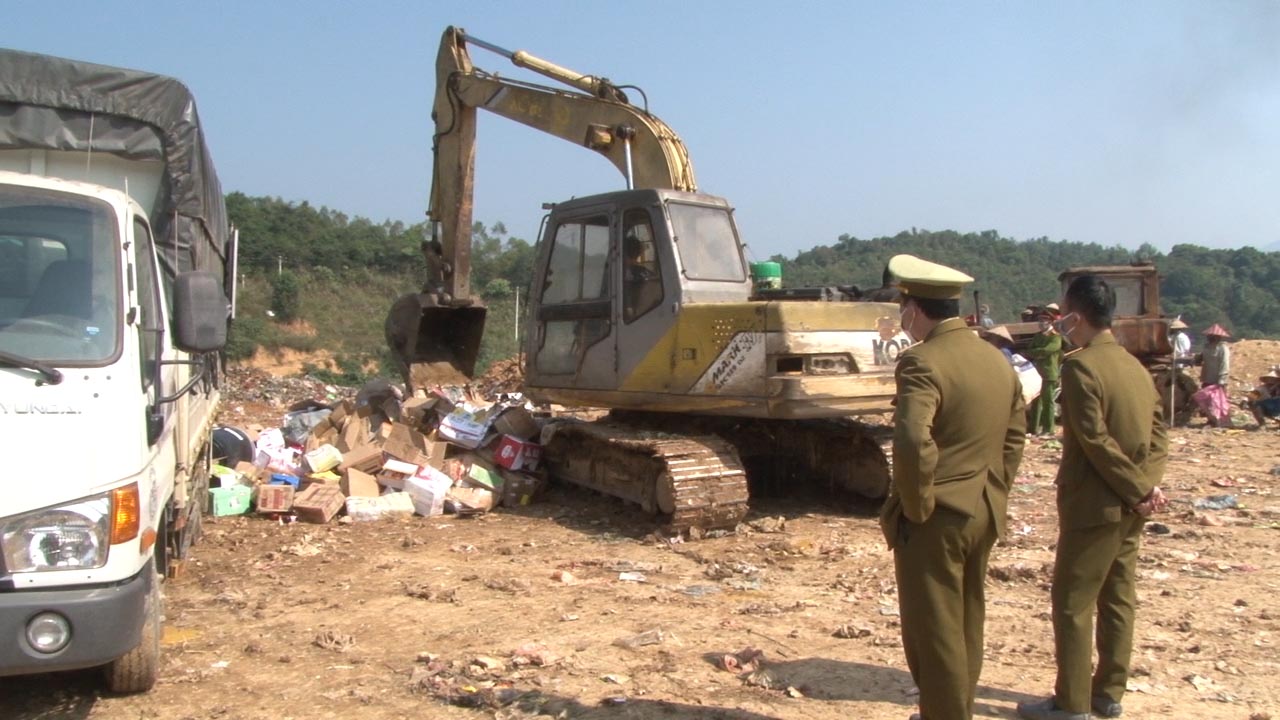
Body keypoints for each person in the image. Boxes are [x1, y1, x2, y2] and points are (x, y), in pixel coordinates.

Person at [879, 254, 1026, 720]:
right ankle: (955, 706)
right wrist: (995, 488)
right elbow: (1015, 436)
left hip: (938, 514)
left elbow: (910, 438)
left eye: (903, 306)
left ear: (914, 309)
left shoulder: (921, 361)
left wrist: (918, 503)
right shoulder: (996, 359)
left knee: (934, 629)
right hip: (983, 506)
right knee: (966, 619)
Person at [1017, 275, 1169, 720]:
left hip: (1095, 505)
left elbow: (1094, 440)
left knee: (1073, 604)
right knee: (1118, 598)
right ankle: (1108, 692)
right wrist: (1146, 486)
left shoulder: (1081, 367)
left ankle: (1071, 703)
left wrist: (1137, 488)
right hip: (1132, 505)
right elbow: (1159, 434)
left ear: (1074, 316)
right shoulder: (1134, 367)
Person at [1024, 310, 1064, 438]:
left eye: (1044, 321)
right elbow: (1030, 350)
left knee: (1048, 402)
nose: (1041, 323)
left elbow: (1049, 350)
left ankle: (1049, 429)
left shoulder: (1055, 337)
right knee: (1036, 402)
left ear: (1050, 322)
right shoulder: (1038, 336)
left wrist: (1038, 352)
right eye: (1040, 321)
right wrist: (1039, 352)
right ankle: (1033, 429)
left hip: (1049, 373)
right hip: (1038, 374)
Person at [1191, 324, 1232, 427]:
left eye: (1211, 336)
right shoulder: (1207, 347)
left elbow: (1224, 364)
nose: (1208, 338)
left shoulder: (1223, 348)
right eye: (1208, 336)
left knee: (1218, 402)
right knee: (1207, 401)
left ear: (1217, 337)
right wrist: (1196, 359)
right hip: (1207, 377)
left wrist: (1222, 379)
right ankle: (1211, 420)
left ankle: (1221, 420)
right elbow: (1201, 358)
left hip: (1218, 379)